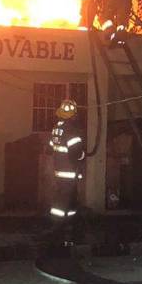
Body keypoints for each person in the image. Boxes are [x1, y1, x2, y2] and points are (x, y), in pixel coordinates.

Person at [47, 98, 86, 246]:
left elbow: (51, 147)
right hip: (70, 172)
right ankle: (60, 232)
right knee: (65, 203)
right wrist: (83, 156)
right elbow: (76, 153)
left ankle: (64, 232)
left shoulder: (57, 128)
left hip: (59, 171)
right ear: (74, 115)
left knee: (66, 202)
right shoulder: (72, 130)